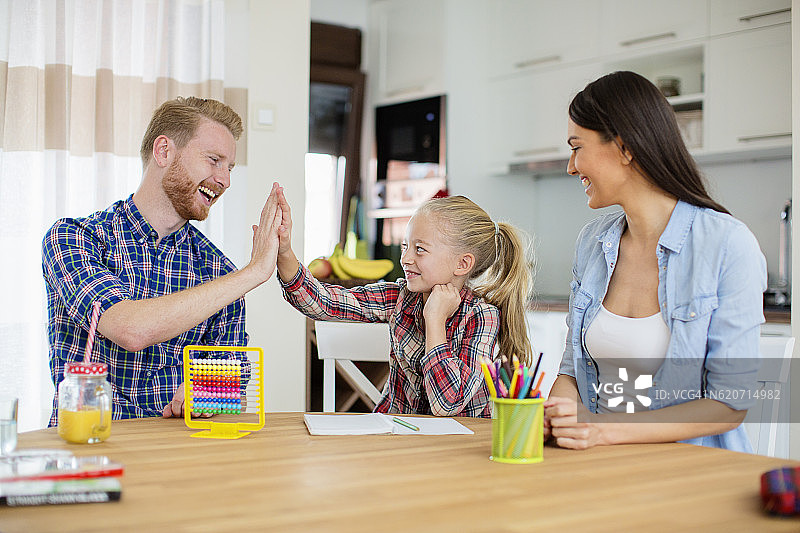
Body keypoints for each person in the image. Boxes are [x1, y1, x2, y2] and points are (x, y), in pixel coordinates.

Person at [544, 71, 766, 452]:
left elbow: (728, 403)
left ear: (625, 147)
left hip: (689, 473)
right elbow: (571, 370)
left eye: (577, 147)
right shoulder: (592, 244)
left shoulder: (727, 244)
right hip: (598, 468)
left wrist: (602, 430)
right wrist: (561, 412)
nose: (570, 166)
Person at [42, 97, 283, 423]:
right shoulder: (73, 239)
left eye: (229, 168)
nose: (224, 180)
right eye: (214, 160)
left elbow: (232, 385)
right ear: (164, 151)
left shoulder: (218, 272)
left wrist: (209, 394)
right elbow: (129, 329)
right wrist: (254, 272)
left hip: (177, 456)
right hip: (88, 452)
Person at [274, 188, 534, 417]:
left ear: (462, 263)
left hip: (457, 454)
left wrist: (435, 321)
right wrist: (284, 252)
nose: (406, 258)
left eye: (420, 249)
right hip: (397, 438)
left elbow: (447, 404)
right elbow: (324, 303)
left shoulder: (481, 316)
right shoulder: (399, 298)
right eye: (405, 246)